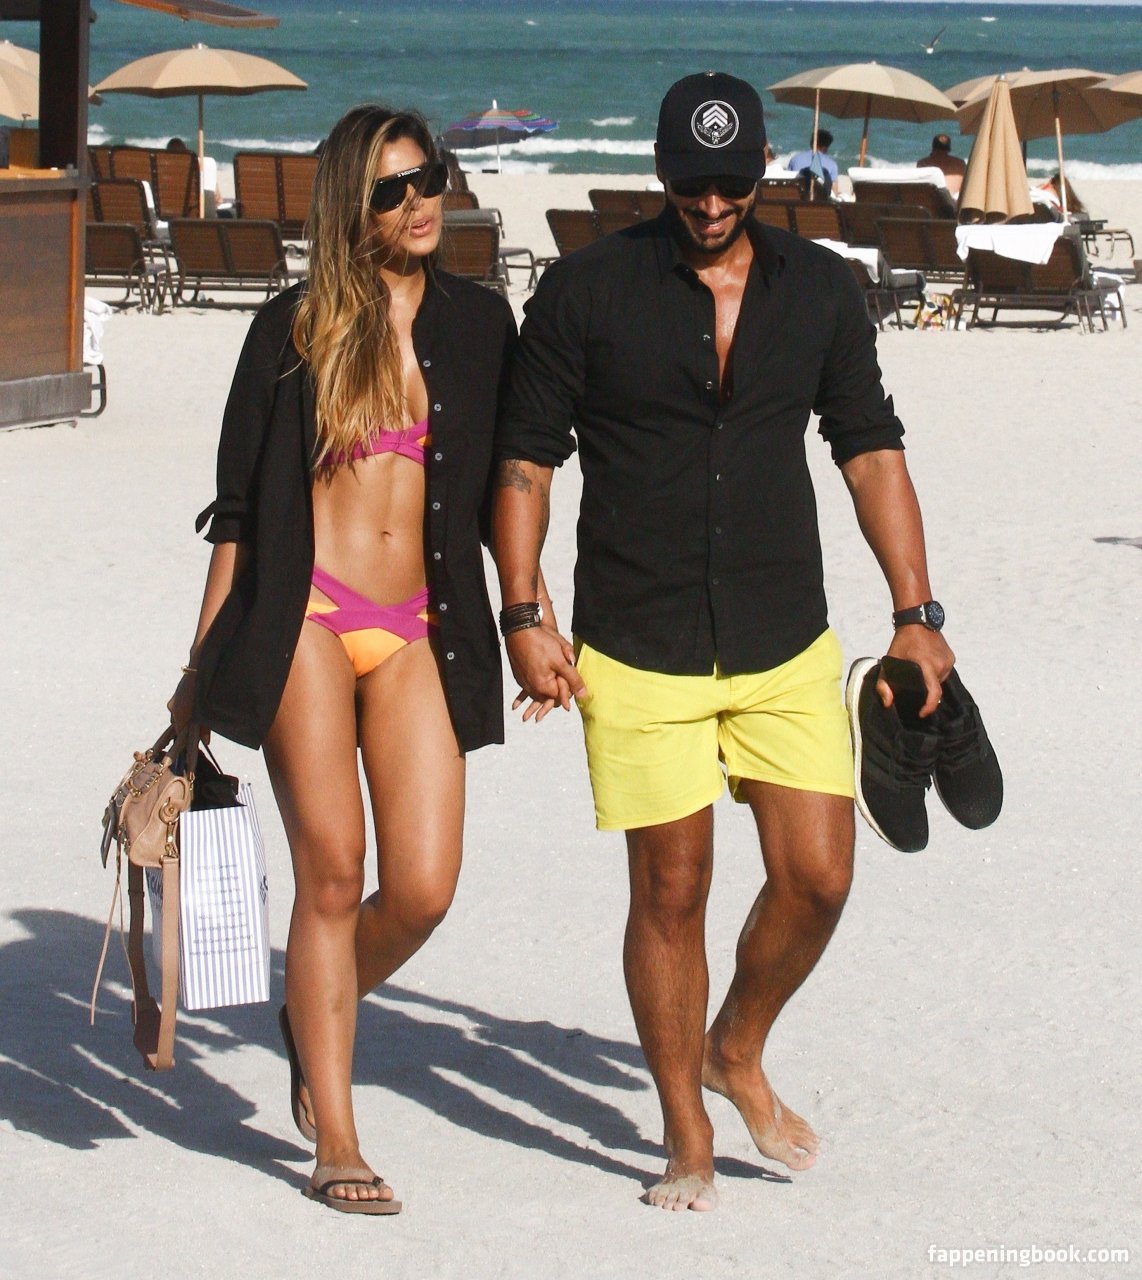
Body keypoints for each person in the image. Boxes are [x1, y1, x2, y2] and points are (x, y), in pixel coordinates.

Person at [492, 71, 954, 1212]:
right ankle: (685, 1129)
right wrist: (523, 610)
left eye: (732, 182)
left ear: (762, 174)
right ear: (661, 172)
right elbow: (526, 459)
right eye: (693, 182)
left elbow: (869, 448)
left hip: (780, 630)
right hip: (635, 635)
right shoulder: (585, 290)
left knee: (819, 876)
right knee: (672, 888)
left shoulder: (820, 289)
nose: (710, 203)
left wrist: (916, 614)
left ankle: (733, 1043)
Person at [168, 103, 522, 1214]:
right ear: (348, 206)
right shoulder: (291, 329)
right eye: (390, 190)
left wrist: (532, 615)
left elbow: (515, 481)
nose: (418, 203)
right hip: (307, 618)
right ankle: (337, 1135)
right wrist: (198, 671)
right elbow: (237, 515)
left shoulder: (480, 322)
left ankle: (308, 1007)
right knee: (331, 870)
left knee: (420, 887)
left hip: (419, 625)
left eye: (429, 178)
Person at [788, 127, 838, 195]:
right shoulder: (832, 164)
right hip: (820, 200)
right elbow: (834, 192)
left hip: (797, 197)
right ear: (825, 147)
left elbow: (789, 182)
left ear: (811, 143)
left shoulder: (795, 159)